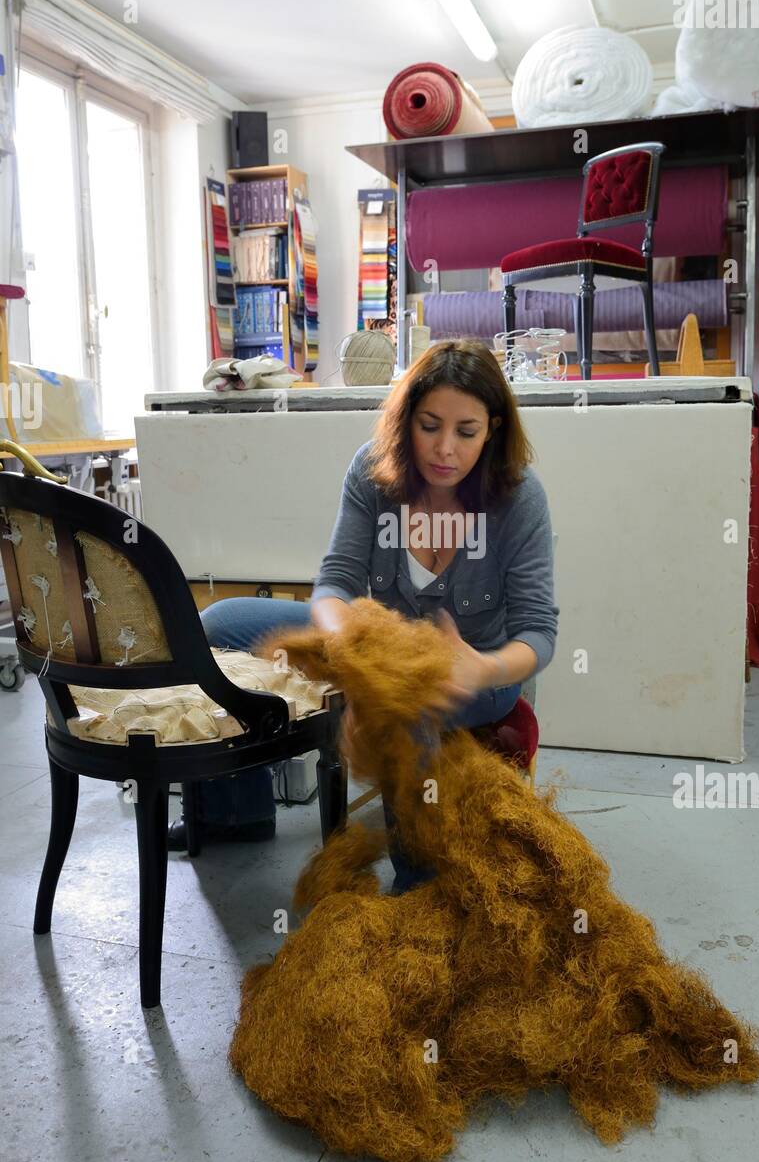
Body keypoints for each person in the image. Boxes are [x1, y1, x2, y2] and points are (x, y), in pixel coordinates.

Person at [168, 340, 559, 895]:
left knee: (405, 698)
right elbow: (335, 583)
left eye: (466, 432)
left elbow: (537, 632)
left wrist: (482, 670)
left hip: (478, 670)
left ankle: (419, 887)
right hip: (371, 648)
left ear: (492, 428)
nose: (445, 449)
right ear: (406, 420)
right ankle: (237, 812)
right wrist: (348, 639)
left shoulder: (520, 499)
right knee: (220, 624)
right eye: (429, 425)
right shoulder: (373, 472)